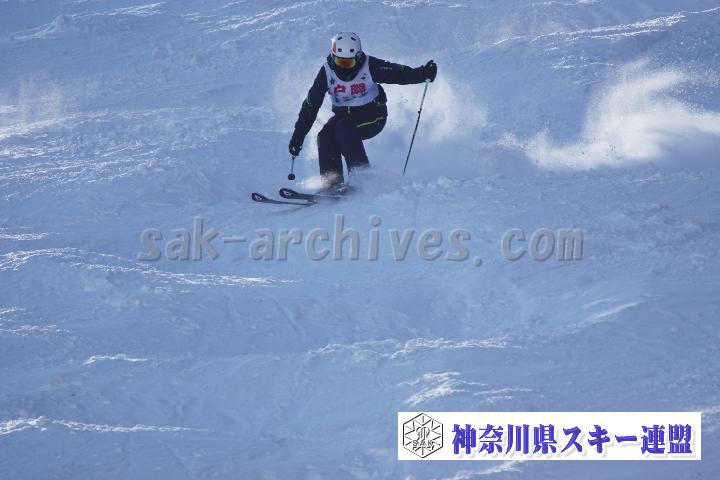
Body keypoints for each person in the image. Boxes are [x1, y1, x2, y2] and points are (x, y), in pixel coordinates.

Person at [289, 32, 437, 191]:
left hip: (373, 115)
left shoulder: (369, 66)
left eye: (348, 63)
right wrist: (298, 137)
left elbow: (398, 73)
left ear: (358, 57)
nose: (343, 67)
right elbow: (310, 106)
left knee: (344, 128)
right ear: (333, 57)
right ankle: (332, 184)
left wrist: (422, 74)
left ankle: (363, 180)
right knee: (325, 135)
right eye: (339, 61)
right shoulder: (326, 72)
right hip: (344, 116)